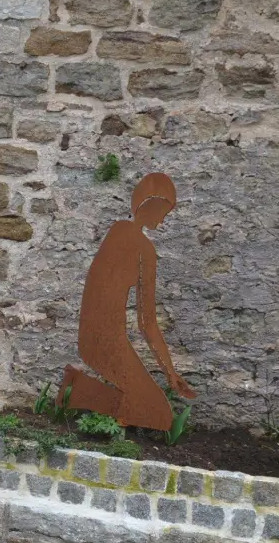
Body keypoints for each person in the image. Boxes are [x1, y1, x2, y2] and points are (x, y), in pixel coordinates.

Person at [61, 172, 196, 431]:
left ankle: (77, 391)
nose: (163, 218)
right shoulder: (145, 250)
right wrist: (169, 373)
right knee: (159, 415)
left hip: (91, 335)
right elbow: (148, 324)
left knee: (149, 407)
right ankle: (94, 410)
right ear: (149, 206)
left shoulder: (117, 230)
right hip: (107, 341)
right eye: (163, 210)